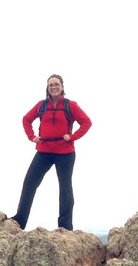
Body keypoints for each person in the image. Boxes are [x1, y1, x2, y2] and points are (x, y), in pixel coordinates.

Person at [9, 74, 92, 231]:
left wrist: (73, 136)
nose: (54, 87)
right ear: (47, 88)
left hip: (65, 153)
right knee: (29, 183)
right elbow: (26, 119)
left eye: (57, 84)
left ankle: (65, 227)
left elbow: (87, 122)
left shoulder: (70, 105)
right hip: (44, 151)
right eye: (50, 85)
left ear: (62, 87)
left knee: (65, 188)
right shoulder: (41, 105)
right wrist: (32, 137)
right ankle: (20, 220)